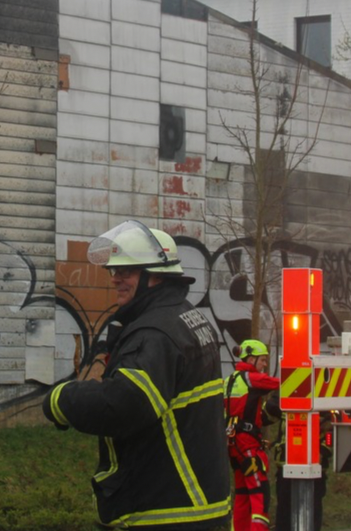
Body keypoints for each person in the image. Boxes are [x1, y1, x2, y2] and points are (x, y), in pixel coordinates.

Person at [42, 221, 231, 530]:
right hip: (202, 506)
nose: (115, 279)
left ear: (155, 276)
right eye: (114, 271)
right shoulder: (187, 317)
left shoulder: (155, 332)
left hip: (165, 511)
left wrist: (61, 399)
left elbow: (124, 404)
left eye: (126, 272)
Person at [225, 339, 280, 531]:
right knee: (260, 493)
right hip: (247, 445)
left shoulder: (230, 380)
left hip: (233, 446)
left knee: (242, 495)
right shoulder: (251, 378)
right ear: (251, 358)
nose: (265, 365)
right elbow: (282, 383)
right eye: (263, 360)